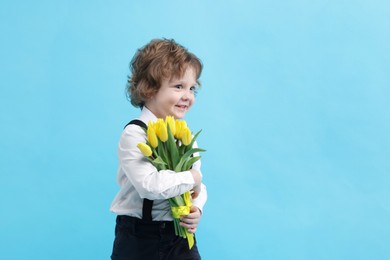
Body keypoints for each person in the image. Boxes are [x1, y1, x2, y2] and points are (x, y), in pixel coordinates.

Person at [110, 38, 207, 260]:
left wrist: (197, 208)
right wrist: (193, 177)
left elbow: (198, 185)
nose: (187, 95)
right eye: (178, 86)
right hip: (138, 237)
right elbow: (149, 186)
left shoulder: (185, 135)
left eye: (192, 88)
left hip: (179, 235)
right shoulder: (135, 134)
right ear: (149, 89)